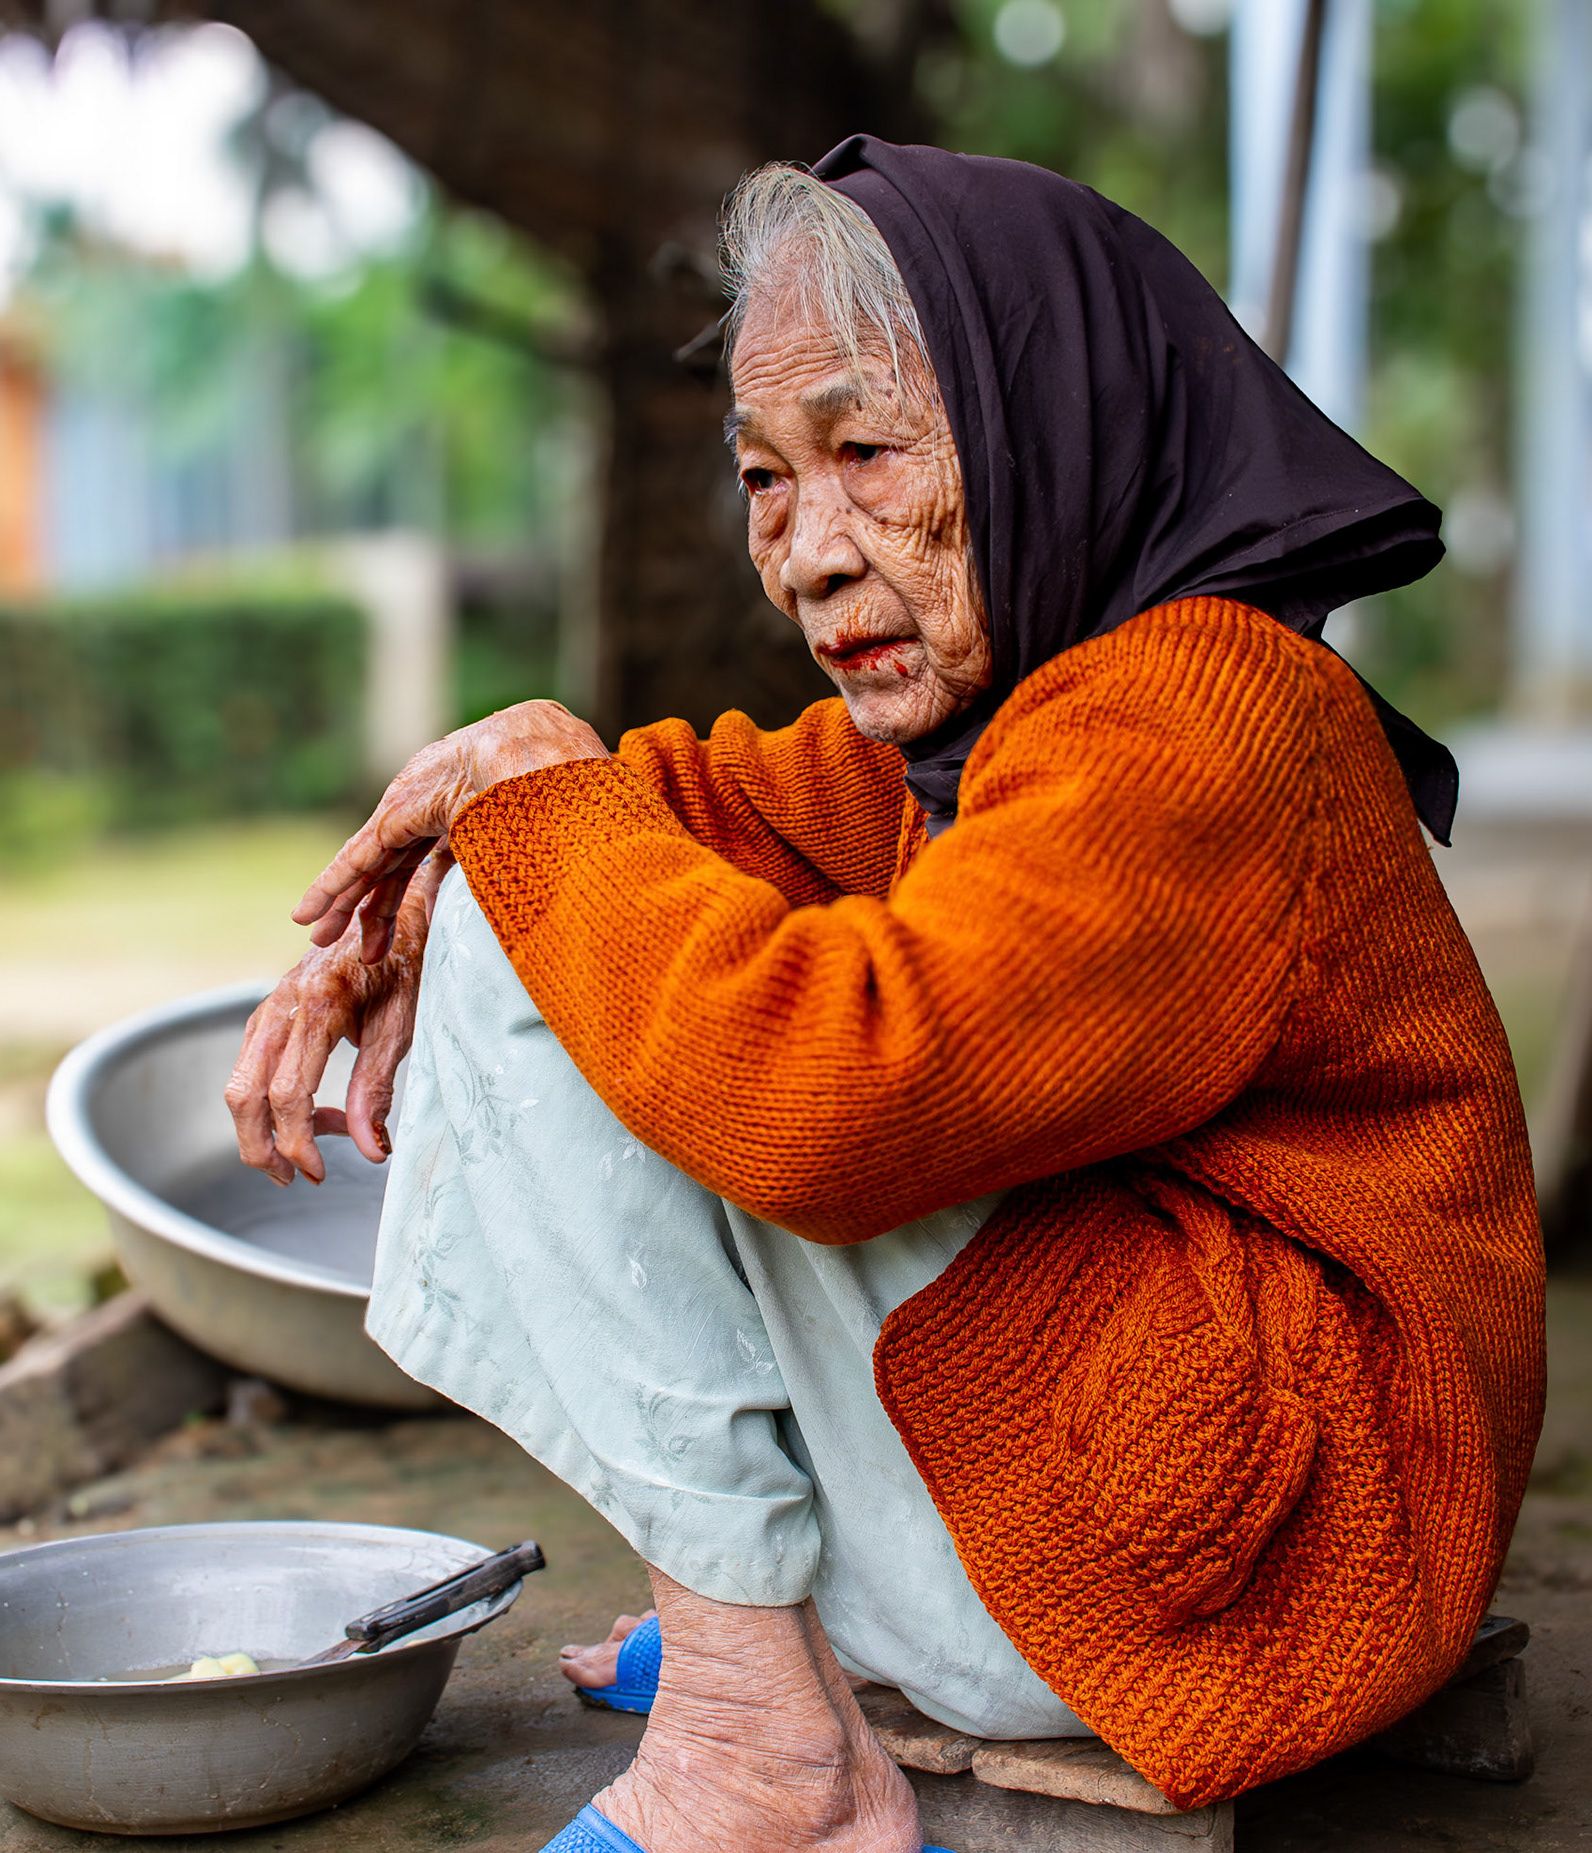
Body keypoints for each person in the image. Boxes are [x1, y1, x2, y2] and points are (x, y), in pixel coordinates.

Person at [226, 138, 1546, 1853]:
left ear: (1048, 423)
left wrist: (530, 800)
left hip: (1252, 1567)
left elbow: (841, 1099)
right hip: (1173, 1492)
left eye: (867, 452)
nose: (811, 554)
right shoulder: (1000, 712)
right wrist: (410, 889)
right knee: (537, 880)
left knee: (576, 906)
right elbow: (682, 802)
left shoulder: (1201, 712)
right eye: (766, 477)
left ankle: (760, 1739)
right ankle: (779, 1639)